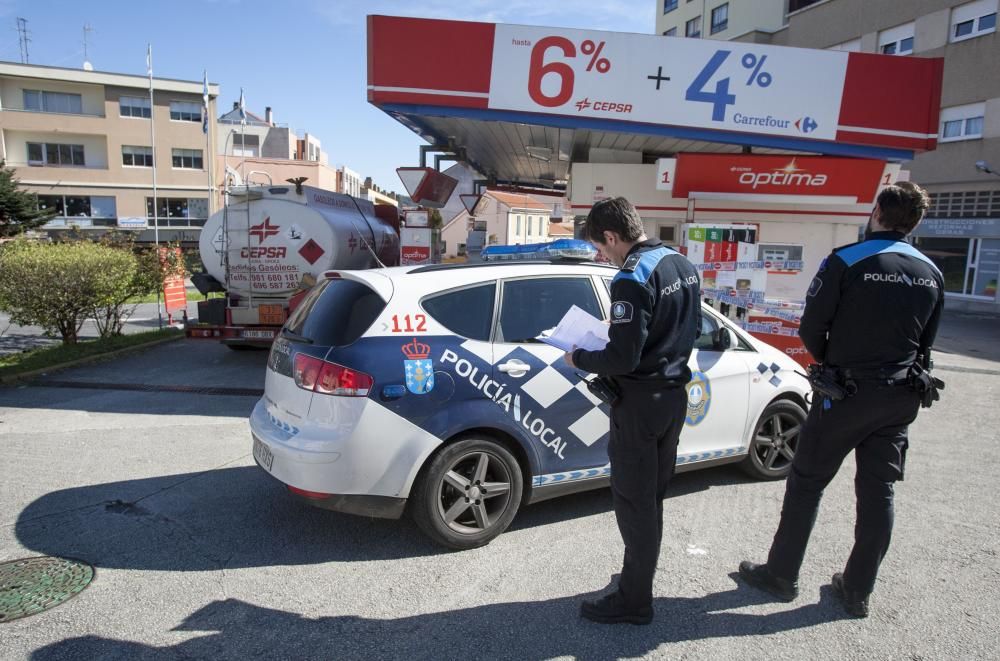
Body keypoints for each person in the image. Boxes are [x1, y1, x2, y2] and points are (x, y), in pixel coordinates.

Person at [738, 181, 944, 618]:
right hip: (899, 395)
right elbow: (927, 342)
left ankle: (780, 576)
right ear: (916, 222)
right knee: (878, 492)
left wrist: (832, 366)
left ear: (876, 213)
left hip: (845, 394)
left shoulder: (847, 259)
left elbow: (811, 326)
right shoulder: (931, 271)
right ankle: (857, 590)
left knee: (807, 483)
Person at [564, 196, 701, 625]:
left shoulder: (631, 277)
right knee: (652, 496)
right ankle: (637, 575)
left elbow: (622, 359)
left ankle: (635, 600)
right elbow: (684, 328)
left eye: (602, 249)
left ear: (611, 235)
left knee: (633, 501)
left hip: (640, 403)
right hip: (674, 396)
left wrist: (579, 359)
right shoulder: (680, 263)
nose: (602, 256)